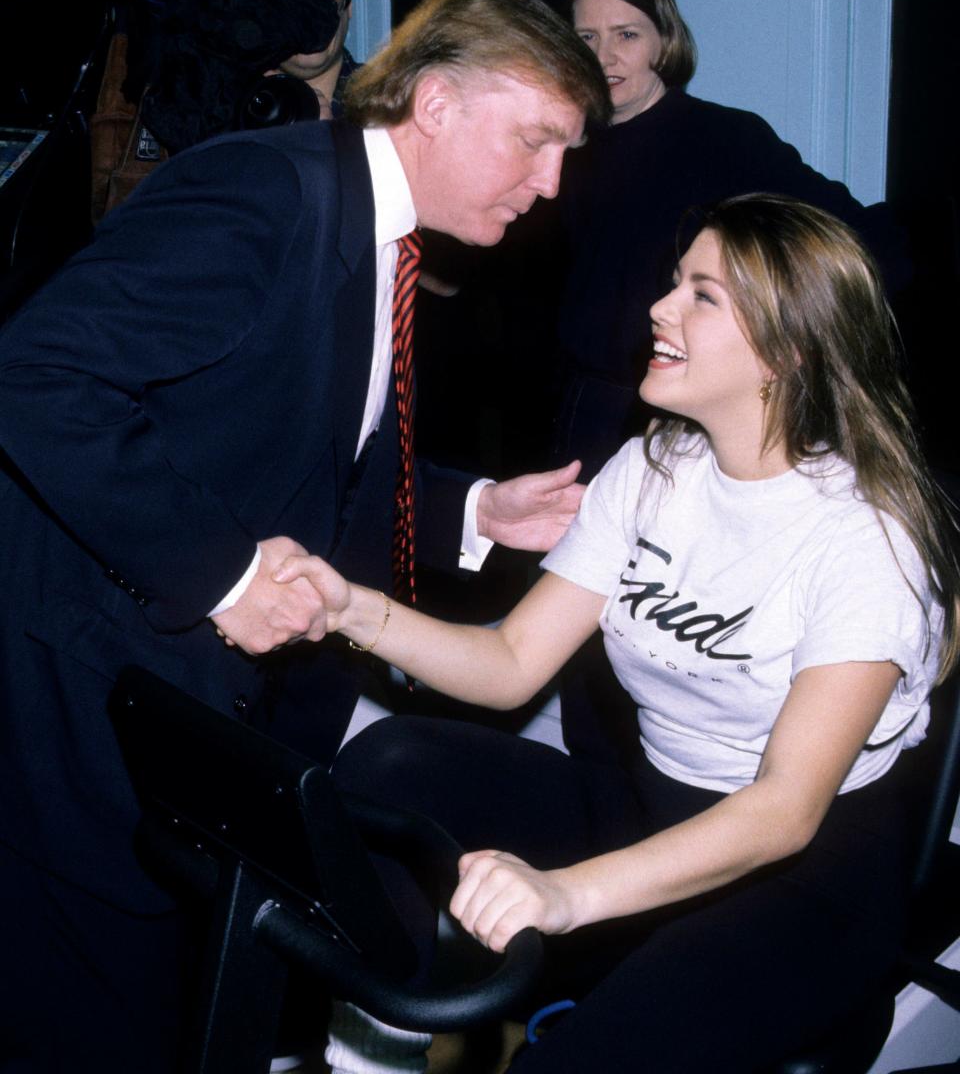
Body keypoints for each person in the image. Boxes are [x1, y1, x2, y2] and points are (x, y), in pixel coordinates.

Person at [0, 0, 610, 1073]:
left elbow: (306, 444)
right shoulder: (265, 193)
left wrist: (469, 503)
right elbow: (35, 377)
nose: (549, 183)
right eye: (534, 140)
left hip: (178, 708)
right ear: (435, 105)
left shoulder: (376, 229)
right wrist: (228, 576)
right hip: (82, 687)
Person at [280, 195, 959, 1074]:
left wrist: (563, 895)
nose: (659, 307)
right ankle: (377, 1049)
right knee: (387, 766)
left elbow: (785, 810)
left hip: (802, 876)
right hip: (645, 801)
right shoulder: (653, 467)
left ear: (787, 350)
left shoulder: (864, 538)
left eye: (702, 296)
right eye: (676, 282)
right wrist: (350, 611)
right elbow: (512, 663)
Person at [555, 0, 904, 481]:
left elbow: (853, 236)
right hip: (586, 409)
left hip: (693, 412)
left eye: (627, 34)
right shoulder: (557, 147)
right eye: (586, 37)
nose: (605, 56)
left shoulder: (726, 137)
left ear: (664, 41)